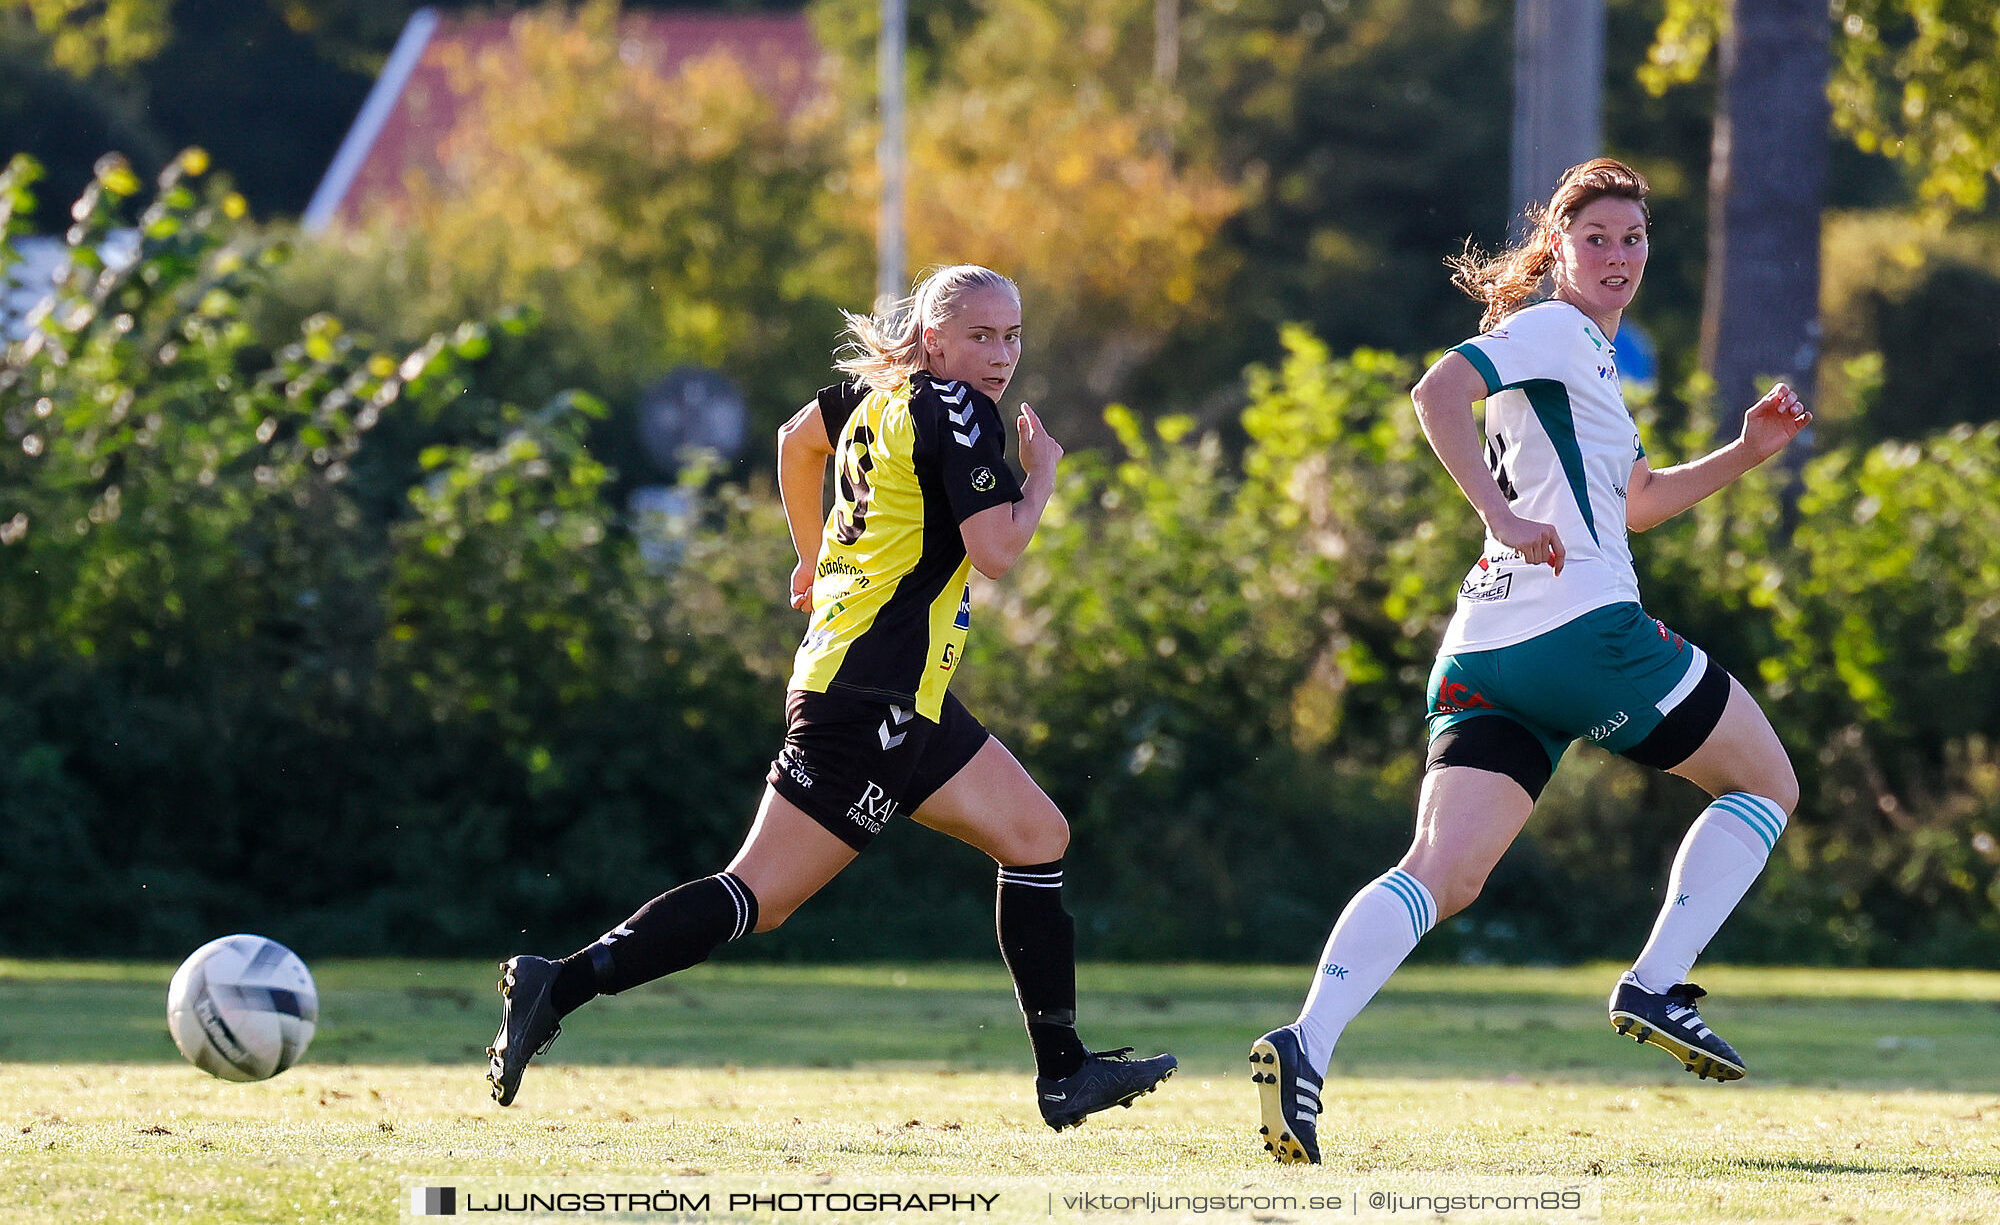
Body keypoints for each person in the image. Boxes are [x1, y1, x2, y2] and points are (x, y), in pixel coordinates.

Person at [486, 264, 1177, 1129]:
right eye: (981, 336)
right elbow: (997, 552)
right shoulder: (957, 410)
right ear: (934, 339)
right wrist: (1039, 475)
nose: (1000, 355)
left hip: (898, 692)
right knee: (757, 898)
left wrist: (813, 558)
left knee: (1038, 835)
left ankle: (1065, 1071)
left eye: (1012, 336)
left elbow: (792, 440)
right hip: (870, 698)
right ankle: (561, 981)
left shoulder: (879, 396)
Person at [1250, 159, 1811, 1165]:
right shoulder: (1555, 329)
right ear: (1554, 246)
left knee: (1441, 873)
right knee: (1764, 783)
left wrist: (1741, 454)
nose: (1616, 256)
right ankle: (1653, 983)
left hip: (1481, 653)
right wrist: (1497, 514)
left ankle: (1304, 1044)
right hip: (1582, 631)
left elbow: (1631, 500)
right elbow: (1435, 392)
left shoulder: (1583, 354)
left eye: (1631, 239)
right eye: (1594, 237)